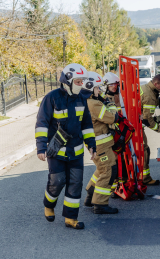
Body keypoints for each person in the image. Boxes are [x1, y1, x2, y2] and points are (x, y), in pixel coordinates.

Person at [35, 63, 96, 230]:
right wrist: (41, 148)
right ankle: (49, 204)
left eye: (82, 81)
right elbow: (42, 124)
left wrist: (91, 145)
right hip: (56, 151)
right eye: (78, 81)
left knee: (75, 184)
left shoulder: (81, 99)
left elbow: (87, 125)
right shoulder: (52, 98)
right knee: (57, 181)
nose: (81, 85)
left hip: (76, 151)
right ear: (68, 80)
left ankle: (71, 218)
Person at [82, 71, 121, 214]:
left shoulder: (90, 101)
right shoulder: (93, 104)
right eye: (98, 87)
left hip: (99, 144)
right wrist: (110, 105)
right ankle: (100, 204)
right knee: (108, 170)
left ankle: (90, 195)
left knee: (101, 168)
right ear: (91, 87)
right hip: (100, 144)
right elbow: (111, 118)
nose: (100, 90)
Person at [140, 74, 160, 185]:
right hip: (136, 128)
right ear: (155, 84)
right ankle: (145, 179)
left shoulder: (145, 88)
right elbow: (146, 119)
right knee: (144, 150)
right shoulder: (149, 95)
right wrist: (159, 128)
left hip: (131, 125)